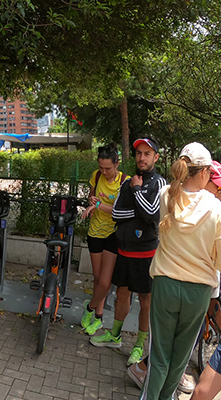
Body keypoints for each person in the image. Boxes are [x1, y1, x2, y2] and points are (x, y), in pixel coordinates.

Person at [132, 142, 221, 399]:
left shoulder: (166, 195)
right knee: (179, 358)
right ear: (205, 172)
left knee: (159, 356)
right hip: (198, 291)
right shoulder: (216, 208)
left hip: (165, 284)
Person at [90, 137, 167, 366]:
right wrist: (138, 210)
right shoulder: (127, 183)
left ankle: (138, 346)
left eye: (146, 154)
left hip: (146, 254)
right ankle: (114, 335)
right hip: (124, 250)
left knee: (146, 300)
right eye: (139, 153)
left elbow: (153, 214)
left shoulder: (159, 184)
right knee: (121, 294)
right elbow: (117, 214)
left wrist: (135, 191)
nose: (141, 158)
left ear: (156, 157)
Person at [80, 143, 129, 335]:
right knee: (98, 278)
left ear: (117, 164)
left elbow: (121, 212)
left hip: (113, 234)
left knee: (105, 282)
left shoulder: (125, 182)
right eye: (101, 167)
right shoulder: (96, 175)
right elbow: (91, 197)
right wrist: (91, 201)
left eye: (108, 168)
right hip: (95, 232)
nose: (104, 171)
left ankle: (89, 308)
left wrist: (98, 205)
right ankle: (98, 318)